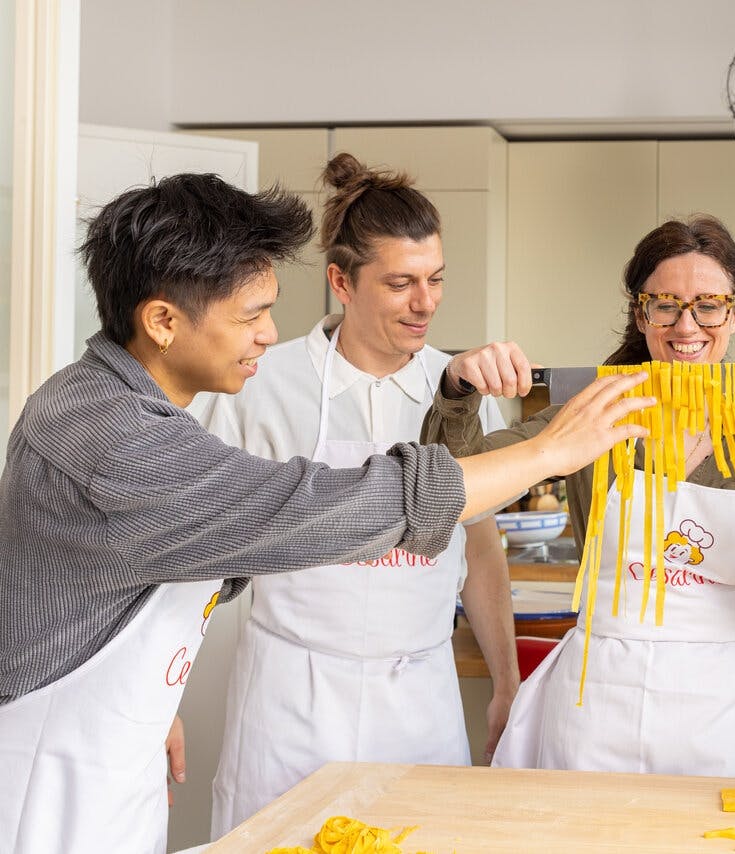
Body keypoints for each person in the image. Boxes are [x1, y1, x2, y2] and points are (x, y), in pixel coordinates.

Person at [0, 173, 652, 854]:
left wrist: (151, 698)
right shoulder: (117, 438)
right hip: (60, 780)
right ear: (163, 321)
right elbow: (307, 509)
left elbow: (157, 570)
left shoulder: (115, 405)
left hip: (110, 757)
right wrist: (549, 450)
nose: (267, 333)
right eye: (249, 315)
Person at [422, 215, 735, 779]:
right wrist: (458, 392)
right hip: (597, 704)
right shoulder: (592, 412)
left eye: (708, 304)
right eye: (666, 304)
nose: (687, 325)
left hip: (727, 715)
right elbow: (455, 484)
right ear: (640, 313)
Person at [193, 154, 519, 836]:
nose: (425, 303)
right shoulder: (261, 383)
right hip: (291, 700)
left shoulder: (462, 392)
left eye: (434, 280)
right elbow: (197, 555)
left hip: (418, 698)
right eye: (400, 283)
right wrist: (156, 698)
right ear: (342, 281)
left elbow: (482, 552)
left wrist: (507, 684)